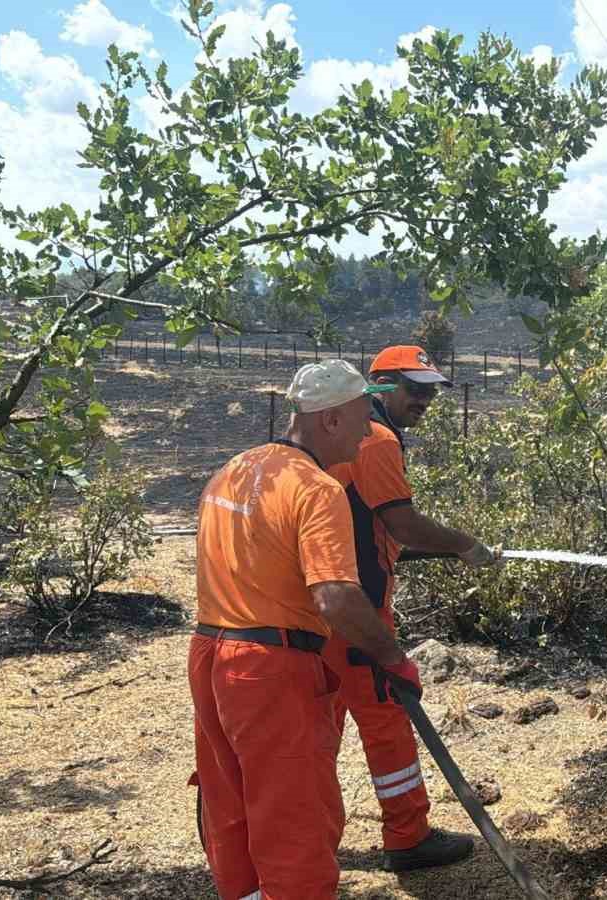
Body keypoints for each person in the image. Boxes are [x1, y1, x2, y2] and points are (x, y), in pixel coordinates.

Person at [188, 359, 426, 899]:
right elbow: (336, 597)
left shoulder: (237, 468)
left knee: (231, 804)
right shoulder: (317, 489)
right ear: (332, 421)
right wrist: (393, 659)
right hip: (270, 667)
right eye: (363, 418)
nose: (370, 432)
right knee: (295, 815)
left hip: (209, 652)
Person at [321, 344, 502, 872]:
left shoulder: (339, 439)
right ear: (376, 386)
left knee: (318, 728)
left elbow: (367, 522)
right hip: (359, 611)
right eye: (413, 388)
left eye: (429, 390)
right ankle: (407, 835)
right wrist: (465, 544)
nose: (423, 399)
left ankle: (309, 834)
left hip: (317, 609)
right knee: (388, 720)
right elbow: (400, 523)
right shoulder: (375, 441)